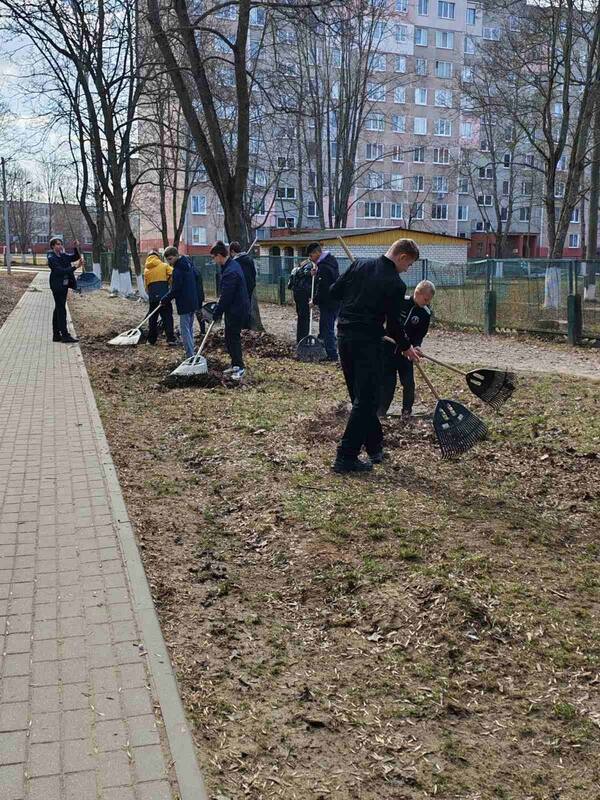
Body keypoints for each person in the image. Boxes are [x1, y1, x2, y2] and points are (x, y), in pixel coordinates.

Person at [328, 238, 422, 474]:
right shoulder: (395, 284)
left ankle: (374, 446)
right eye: (409, 264)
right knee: (367, 400)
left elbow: (334, 292)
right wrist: (406, 346)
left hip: (343, 337)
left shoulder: (359, 264)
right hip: (367, 343)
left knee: (361, 398)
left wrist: (357, 295)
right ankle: (346, 457)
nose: (407, 269)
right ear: (402, 257)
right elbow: (393, 325)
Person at [379, 280, 435, 418]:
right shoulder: (400, 302)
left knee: (408, 382)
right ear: (417, 293)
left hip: (406, 352)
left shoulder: (425, 313)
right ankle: (381, 411)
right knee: (388, 383)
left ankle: (406, 411)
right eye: (426, 299)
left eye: (429, 300)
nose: (427, 302)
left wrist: (416, 346)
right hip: (387, 349)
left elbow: (420, 334)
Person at [210, 240, 250, 381]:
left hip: (237, 309)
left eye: (213, 257)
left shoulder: (230, 271)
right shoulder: (231, 266)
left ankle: (240, 367)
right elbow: (225, 294)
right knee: (229, 337)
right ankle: (235, 364)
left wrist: (217, 312)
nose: (214, 261)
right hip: (235, 308)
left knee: (233, 338)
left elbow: (226, 297)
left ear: (219, 255)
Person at [161, 246, 199, 358]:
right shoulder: (188, 264)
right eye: (167, 260)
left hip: (184, 303)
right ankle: (192, 352)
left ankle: (190, 355)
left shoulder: (178, 270)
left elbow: (175, 289)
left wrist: (164, 299)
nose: (169, 262)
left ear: (176, 256)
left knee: (184, 330)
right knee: (189, 328)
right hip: (193, 301)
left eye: (170, 259)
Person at [307, 242, 340, 361]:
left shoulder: (324, 267)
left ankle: (332, 355)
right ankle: (327, 349)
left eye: (311, 255)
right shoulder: (331, 261)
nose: (310, 258)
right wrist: (317, 274)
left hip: (329, 302)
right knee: (326, 327)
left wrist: (314, 301)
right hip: (336, 299)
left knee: (327, 328)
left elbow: (323, 288)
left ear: (317, 253)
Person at [47, 237, 81, 343]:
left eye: (61, 244)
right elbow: (60, 271)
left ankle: (56, 335)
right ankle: (65, 335)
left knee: (58, 309)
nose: (60, 246)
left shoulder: (62, 255)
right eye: (57, 244)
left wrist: (75, 247)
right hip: (57, 286)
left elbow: (75, 257)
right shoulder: (51, 258)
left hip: (64, 285)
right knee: (61, 310)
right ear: (53, 246)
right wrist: (75, 267)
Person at [143, 250, 177, 346]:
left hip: (153, 298)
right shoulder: (164, 266)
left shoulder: (146, 270)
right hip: (164, 297)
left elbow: (146, 287)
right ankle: (170, 338)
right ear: (158, 257)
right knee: (167, 317)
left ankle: (151, 340)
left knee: (152, 318)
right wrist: (170, 283)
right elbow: (173, 274)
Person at [288, 259, 313, 342]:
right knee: (304, 317)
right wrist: (310, 273)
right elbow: (306, 273)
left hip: (297, 293)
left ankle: (300, 338)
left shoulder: (298, 269)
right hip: (302, 294)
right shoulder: (309, 266)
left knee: (301, 317)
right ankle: (303, 338)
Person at [192, 259, 206, 336]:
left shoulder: (191, 272)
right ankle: (203, 330)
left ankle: (203, 331)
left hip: (195, 296)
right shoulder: (196, 270)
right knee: (199, 312)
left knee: (198, 313)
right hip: (199, 295)